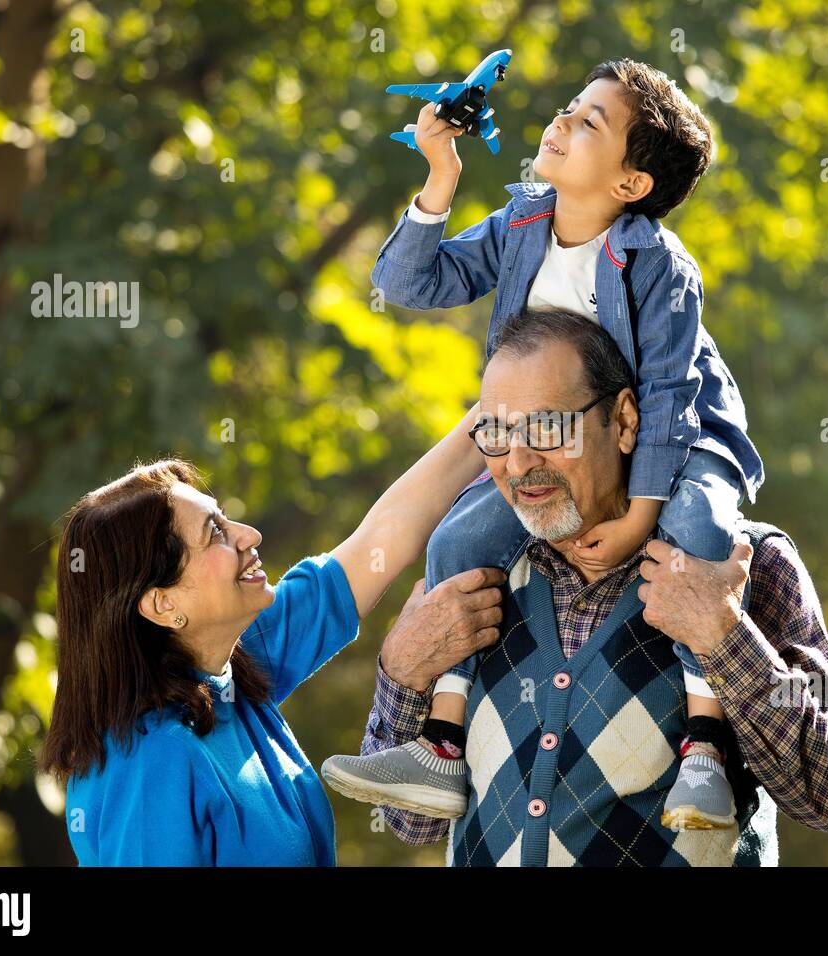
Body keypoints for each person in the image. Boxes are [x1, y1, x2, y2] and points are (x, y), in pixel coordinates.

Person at [322, 58, 764, 827]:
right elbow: (408, 285)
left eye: (590, 121)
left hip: (680, 439)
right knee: (457, 541)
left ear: (631, 185)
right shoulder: (524, 223)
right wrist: (439, 175)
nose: (559, 122)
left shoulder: (660, 266)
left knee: (698, 534)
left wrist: (637, 517)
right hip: (561, 450)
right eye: (568, 108)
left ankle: (705, 754)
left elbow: (667, 402)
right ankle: (442, 748)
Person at [322, 308, 828, 865]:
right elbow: (411, 819)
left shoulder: (741, 563)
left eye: (547, 427)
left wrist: (725, 637)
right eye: (497, 433)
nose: (519, 463)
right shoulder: (474, 576)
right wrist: (402, 671)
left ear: (623, 420)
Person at [38, 406, 505, 865]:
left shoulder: (234, 659)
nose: (249, 535)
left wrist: (499, 409)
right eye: (215, 533)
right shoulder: (149, 764)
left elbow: (383, 537)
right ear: (164, 604)